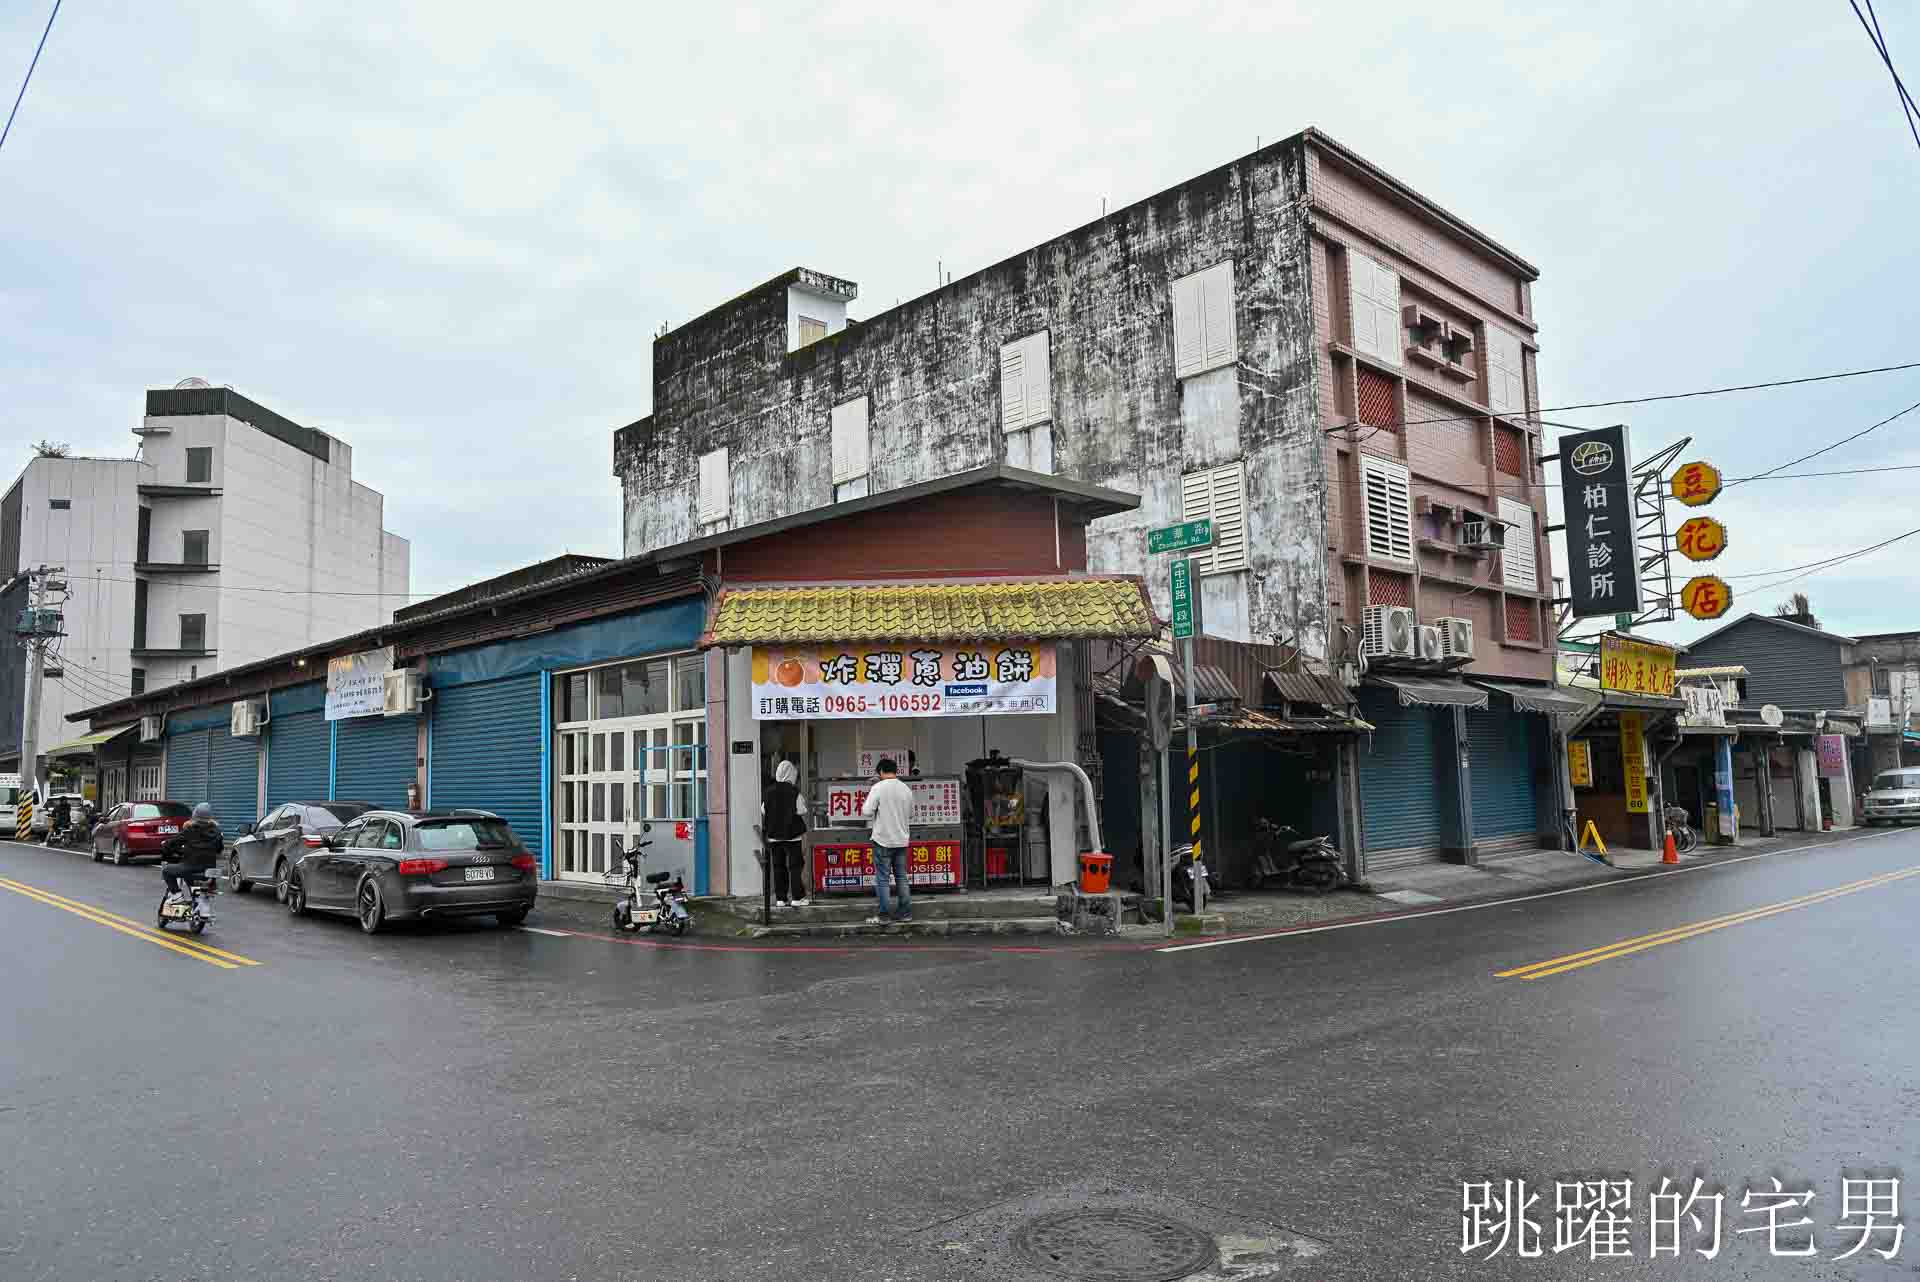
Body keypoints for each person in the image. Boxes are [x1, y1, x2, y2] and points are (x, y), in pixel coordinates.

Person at [860, 757, 915, 924]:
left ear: (881, 771)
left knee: (883, 879)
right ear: (895, 771)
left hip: (883, 839)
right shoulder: (906, 789)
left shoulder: (878, 788)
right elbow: (911, 814)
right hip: (901, 840)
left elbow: (866, 811)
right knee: (901, 877)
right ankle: (905, 913)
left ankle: (884, 915)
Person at [761, 760, 810, 908]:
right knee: (795, 866)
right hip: (792, 835)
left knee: (778, 866)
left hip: (774, 835)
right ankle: (797, 897)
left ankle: (780, 899)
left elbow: (763, 810)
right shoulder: (794, 791)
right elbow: (802, 810)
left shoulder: (768, 791)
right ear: (791, 774)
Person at [159, 802, 222, 896]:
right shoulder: (217, 832)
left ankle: (177, 896)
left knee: (166, 871)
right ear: (210, 817)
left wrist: (165, 845)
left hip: (191, 866)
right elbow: (219, 849)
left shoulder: (190, 830)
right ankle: (197, 898)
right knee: (188, 876)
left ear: (195, 815)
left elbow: (172, 843)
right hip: (209, 869)